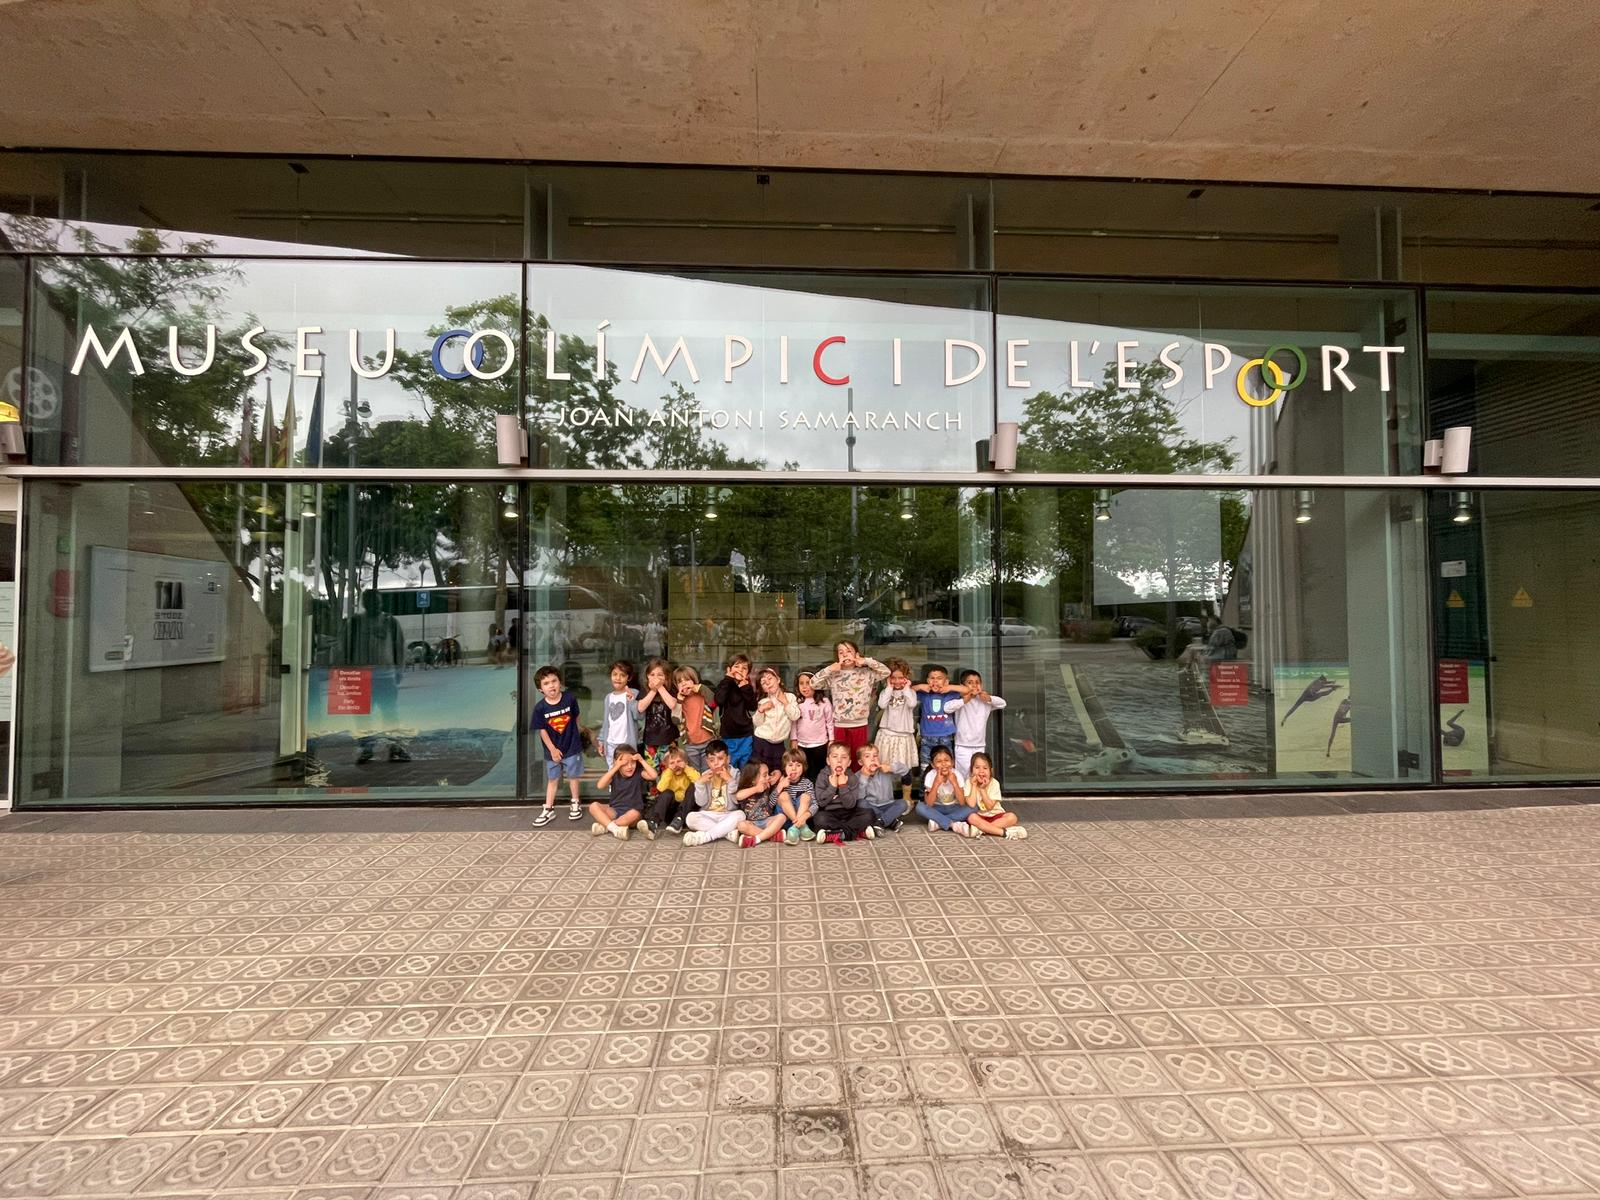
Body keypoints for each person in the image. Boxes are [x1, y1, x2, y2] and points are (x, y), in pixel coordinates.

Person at [342, 590, 411, 765]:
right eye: (371, 602)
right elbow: (345, 649)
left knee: (389, 714)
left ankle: (394, 747)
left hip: (385, 676)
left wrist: (399, 672)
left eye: (378, 602)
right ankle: (367, 748)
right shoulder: (355, 623)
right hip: (362, 677)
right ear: (364, 603)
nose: (375, 605)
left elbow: (399, 648)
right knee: (363, 715)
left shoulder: (390, 622)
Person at [808, 640, 890, 768]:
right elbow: (813, 683)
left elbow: (886, 672)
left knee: (859, 760)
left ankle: (858, 781)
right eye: (841, 652)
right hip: (840, 725)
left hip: (860, 724)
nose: (845, 655)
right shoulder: (834, 675)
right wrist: (830, 669)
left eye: (849, 651)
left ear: (856, 654)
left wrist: (866, 661)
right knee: (840, 759)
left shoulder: (867, 673)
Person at [530, 665, 584, 826]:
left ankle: (575, 802)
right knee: (553, 779)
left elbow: (576, 717)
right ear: (540, 689)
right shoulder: (540, 708)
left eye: (554, 681)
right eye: (546, 683)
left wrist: (577, 735)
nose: (551, 685)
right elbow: (542, 731)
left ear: (560, 682)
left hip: (571, 746)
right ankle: (548, 808)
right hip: (552, 750)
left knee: (573, 776)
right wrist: (552, 749)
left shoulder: (570, 698)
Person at [943, 670, 1007, 776]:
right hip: (962, 745)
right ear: (962, 686)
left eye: (977, 682)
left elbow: (1003, 703)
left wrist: (989, 698)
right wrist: (964, 700)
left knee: (979, 774)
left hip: (979, 745)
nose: (974, 685)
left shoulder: (985, 701)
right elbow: (947, 708)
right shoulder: (960, 700)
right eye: (970, 682)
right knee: (963, 775)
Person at [589, 745, 659, 841]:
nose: (630, 767)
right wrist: (615, 767)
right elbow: (600, 785)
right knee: (593, 806)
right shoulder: (614, 774)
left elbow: (654, 775)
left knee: (633, 814)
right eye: (625, 764)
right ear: (616, 762)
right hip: (615, 811)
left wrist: (642, 760)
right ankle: (615, 829)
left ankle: (606, 826)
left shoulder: (638, 773)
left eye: (633, 762)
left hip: (633, 812)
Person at [874, 660, 919, 801]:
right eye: (893, 678)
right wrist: (888, 687)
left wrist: (906, 689)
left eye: (901, 678)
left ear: (907, 678)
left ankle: (907, 798)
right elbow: (882, 704)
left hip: (903, 737)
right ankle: (885, 797)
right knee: (884, 767)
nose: (897, 681)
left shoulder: (910, 692)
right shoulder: (886, 692)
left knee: (905, 769)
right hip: (887, 735)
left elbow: (912, 703)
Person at [684, 740, 742, 846]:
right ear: (707, 762)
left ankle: (706, 836)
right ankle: (726, 833)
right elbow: (701, 803)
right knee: (690, 818)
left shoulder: (735, 774)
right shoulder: (705, 775)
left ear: (728, 759)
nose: (716, 763)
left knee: (740, 815)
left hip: (728, 814)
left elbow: (735, 801)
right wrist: (700, 784)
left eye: (720, 759)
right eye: (711, 760)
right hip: (709, 814)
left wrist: (730, 780)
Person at [813, 741, 872, 844]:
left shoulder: (852, 778)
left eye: (844, 757)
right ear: (828, 761)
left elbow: (850, 805)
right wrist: (832, 787)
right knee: (819, 818)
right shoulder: (822, 776)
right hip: (829, 813)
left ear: (849, 763)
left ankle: (836, 834)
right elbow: (821, 803)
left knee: (869, 815)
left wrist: (843, 786)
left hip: (849, 813)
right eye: (835, 757)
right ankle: (854, 832)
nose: (839, 761)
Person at [960, 752, 1024, 840]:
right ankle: (1003, 832)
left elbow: (989, 806)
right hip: (979, 816)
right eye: (977, 768)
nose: (981, 771)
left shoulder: (994, 783)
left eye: (985, 768)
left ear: (991, 771)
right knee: (971, 817)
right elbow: (971, 804)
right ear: (971, 770)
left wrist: (982, 789)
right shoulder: (969, 782)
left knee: (1012, 817)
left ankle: (981, 830)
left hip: (995, 815)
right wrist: (974, 785)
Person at [912, 665, 958, 786]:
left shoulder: (950, 694)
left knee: (947, 764)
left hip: (946, 736)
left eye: (939, 678)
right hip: (927, 737)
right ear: (927, 681)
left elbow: (967, 690)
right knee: (925, 766)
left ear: (946, 681)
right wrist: (920, 686)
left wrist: (949, 687)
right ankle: (925, 791)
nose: (935, 681)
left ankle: (946, 790)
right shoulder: (924, 694)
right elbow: (907, 690)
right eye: (932, 678)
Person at [751, 666, 800, 771]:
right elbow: (757, 723)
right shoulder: (763, 701)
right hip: (761, 741)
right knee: (760, 770)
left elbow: (795, 716)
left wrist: (785, 702)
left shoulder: (790, 697)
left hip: (779, 744)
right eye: (764, 683)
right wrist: (761, 710)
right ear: (763, 688)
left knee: (778, 770)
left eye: (770, 678)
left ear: (778, 679)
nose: (768, 682)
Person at [714, 654, 758, 768]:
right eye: (736, 666)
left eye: (744, 668)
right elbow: (719, 700)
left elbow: (753, 706)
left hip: (746, 735)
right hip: (729, 735)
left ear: (748, 673)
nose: (740, 670)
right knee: (730, 766)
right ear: (729, 669)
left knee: (745, 766)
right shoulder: (724, 684)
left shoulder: (747, 687)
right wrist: (728, 679)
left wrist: (745, 688)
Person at [916, 745, 972, 832]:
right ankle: (952, 824)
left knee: (974, 807)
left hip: (954, 808)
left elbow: (962, 802)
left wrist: (955, 783)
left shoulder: (957, 775)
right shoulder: (930, 776)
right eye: (939, 761)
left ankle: (939, 823)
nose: (943, 764)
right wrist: (936, 783)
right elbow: (929, 804)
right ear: (933, 765)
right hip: (936, 808)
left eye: (946, 760)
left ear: (952, 762)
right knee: (920, 807)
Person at [636, 659, 681, 767]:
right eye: (652, 675)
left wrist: (660, 687)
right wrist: (653, 690)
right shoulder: (645, 690)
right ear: (647, 676)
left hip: (669, 738)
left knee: (669, 769)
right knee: (652, 769)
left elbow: (672, 705)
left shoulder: (671, 689)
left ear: (666, 677)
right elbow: (640, 708)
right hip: (650, 739)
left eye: (660, 675)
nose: (656, 678)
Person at [648, 744, 700, 835]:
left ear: (685, 762)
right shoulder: (667, 774)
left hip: (687, 810)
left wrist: (686, 768)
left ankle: (679, 819)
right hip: (672, 811)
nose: (676, 765)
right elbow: (660, 788)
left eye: (679, 761)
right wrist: (669, 771)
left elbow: (699, 781)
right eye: (672, 763)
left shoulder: (689, 770)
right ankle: (654, 822)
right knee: (667, 793)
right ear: (667, 766)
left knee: (694, 786)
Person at [734, 761, 787, 848]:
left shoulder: (767, 787)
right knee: (741, 825)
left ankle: (756, 839)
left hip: (767, 821)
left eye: (768, 774)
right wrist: (756, 789)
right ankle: (771, 836)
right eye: (765, 775)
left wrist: (778, 788)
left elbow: (770, 804)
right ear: (753, 779)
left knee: (782, 817)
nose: (768, 777)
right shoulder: (747, 789)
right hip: (752, 824)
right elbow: (738, 796)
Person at [856, 745, 907, 835]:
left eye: (875, 756)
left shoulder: (885, 771)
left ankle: (881, 822)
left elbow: (905, 770)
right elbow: (859, 797)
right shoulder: (857, 776)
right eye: (867, 756)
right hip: (871, 807)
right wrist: (864, 778)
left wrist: (891, 768)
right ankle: (890, 821)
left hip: (887, 805)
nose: (872, 759)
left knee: (903, 803)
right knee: (860, 803)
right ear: (860, 762)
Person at [597, 660, 639, 768]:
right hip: (610, 742)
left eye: (622, 675)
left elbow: (638, 716)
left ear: (628, 678)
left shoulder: (633, 693)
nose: (618, 678)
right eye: (615, 674)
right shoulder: (608, 697)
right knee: (612, 770)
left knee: (626, 769)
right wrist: (601, 740)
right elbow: (606, 722)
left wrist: (632, 701)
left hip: (626, 743)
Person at [793, 671, 834, 781]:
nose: (804, 687)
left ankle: (819, 790)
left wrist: (831, 740)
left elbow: (830, 722)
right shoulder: (797, 702)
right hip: (802, 744)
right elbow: (793, 723)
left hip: (820, 744)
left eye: (808, 683)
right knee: (805, 772)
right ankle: (806, 790)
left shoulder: (824, 702)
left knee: (819, 772)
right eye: (801, 683)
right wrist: (794, 739)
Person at [673, 665, 716, 770]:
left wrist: (700, 688)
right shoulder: (680, 701)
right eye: (680, 682)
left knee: (708, 771)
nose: (684, 683)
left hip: (708, 740)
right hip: (690, 744)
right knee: (694, 773)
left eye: (687, 680)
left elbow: (714, 702)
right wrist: (679, 700)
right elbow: (675, 720)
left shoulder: (702, 694)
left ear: (694, 681)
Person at [777, 747, 817, 845]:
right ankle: (802, 827)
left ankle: (794, 829)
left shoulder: (807, 783)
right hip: (784, 819)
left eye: (798, 765)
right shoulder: (780, 781)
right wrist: (779, 787)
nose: (794, 769)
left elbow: (815, 805)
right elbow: (770, 805)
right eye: (790, 765)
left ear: (803, 767)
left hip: (802, 818)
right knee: (783, 795)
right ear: (784, 767)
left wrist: (804, 817)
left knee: (806, 796)